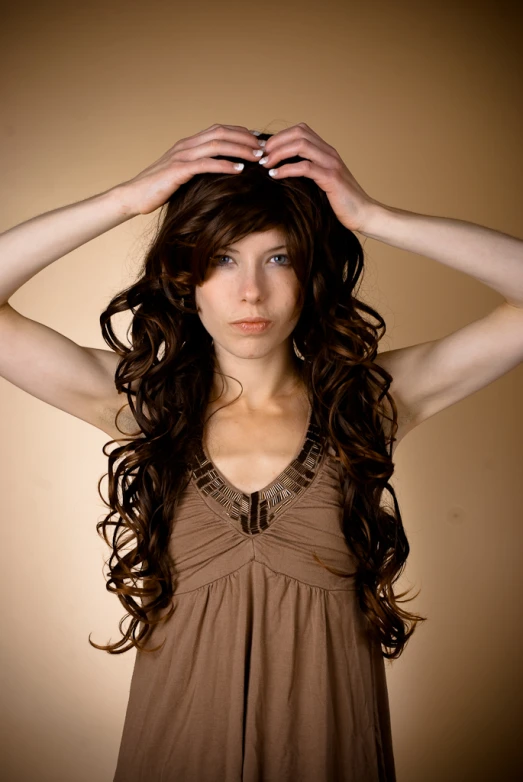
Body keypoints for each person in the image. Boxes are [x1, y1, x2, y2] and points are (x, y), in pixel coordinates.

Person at [1, 122, 522, 782]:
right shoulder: (148, 406)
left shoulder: (364, 405)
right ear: (186, 278)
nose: (250, 292)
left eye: (278, 259)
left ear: (311, 276)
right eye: (221, 260)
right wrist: (127, 200)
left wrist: (371, 215)